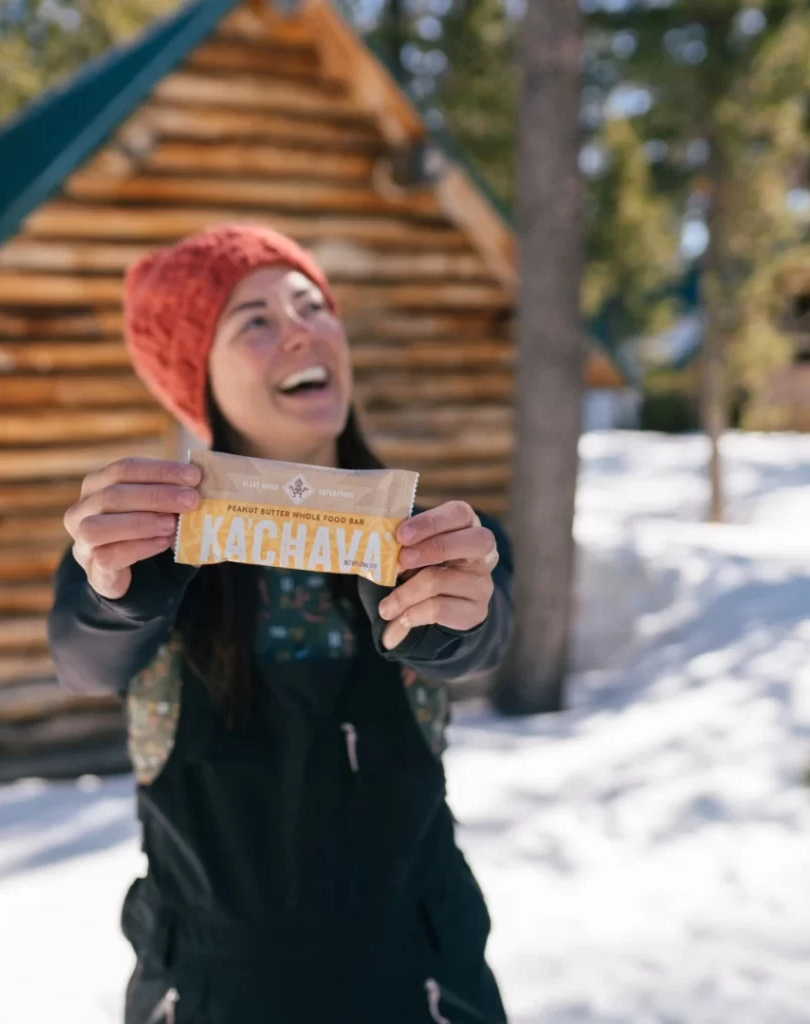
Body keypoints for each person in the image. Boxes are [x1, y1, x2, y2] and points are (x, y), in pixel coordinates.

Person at [47, 225, 514, 1024]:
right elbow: (85, 657)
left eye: (311, 305)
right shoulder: (146, 549)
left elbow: (483, 636)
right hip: (208, 996)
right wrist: (120, 594)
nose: (301, 329)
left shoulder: (436, 540)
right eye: (253, 321)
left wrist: (448, 619)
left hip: (422, 987)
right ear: (200, 380)